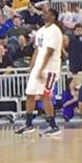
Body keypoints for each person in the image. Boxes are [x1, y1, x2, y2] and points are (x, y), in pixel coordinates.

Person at [14, 7, 62, 137]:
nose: (44, 14)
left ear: (53, 16)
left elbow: (50, 52)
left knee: (45, 96)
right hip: (38, 67)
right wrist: (32, 66)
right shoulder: (40, 31)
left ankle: (53, 126)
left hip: (50, 68)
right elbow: (37, 50)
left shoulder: (55, 31)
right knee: (30, 94)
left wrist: (41, 69)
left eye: (47, 13)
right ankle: (29, 124)